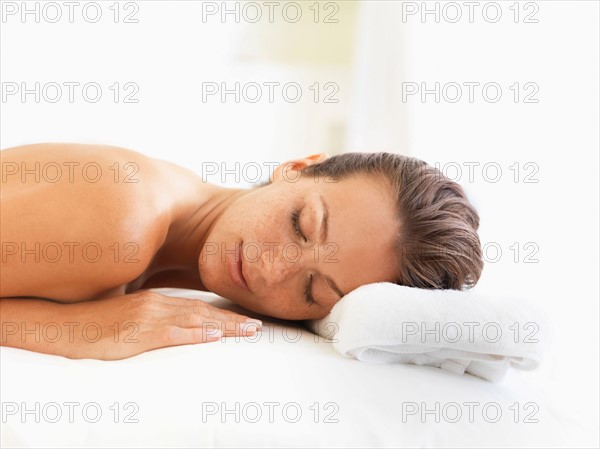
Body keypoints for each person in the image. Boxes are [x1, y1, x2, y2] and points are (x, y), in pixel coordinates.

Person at [0, 143, 483, 359]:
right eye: (301, 225)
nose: (271, 269)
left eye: (312, 290)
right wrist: (77, 330)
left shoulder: (159, 246)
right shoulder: (126, 215)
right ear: (298, 166)